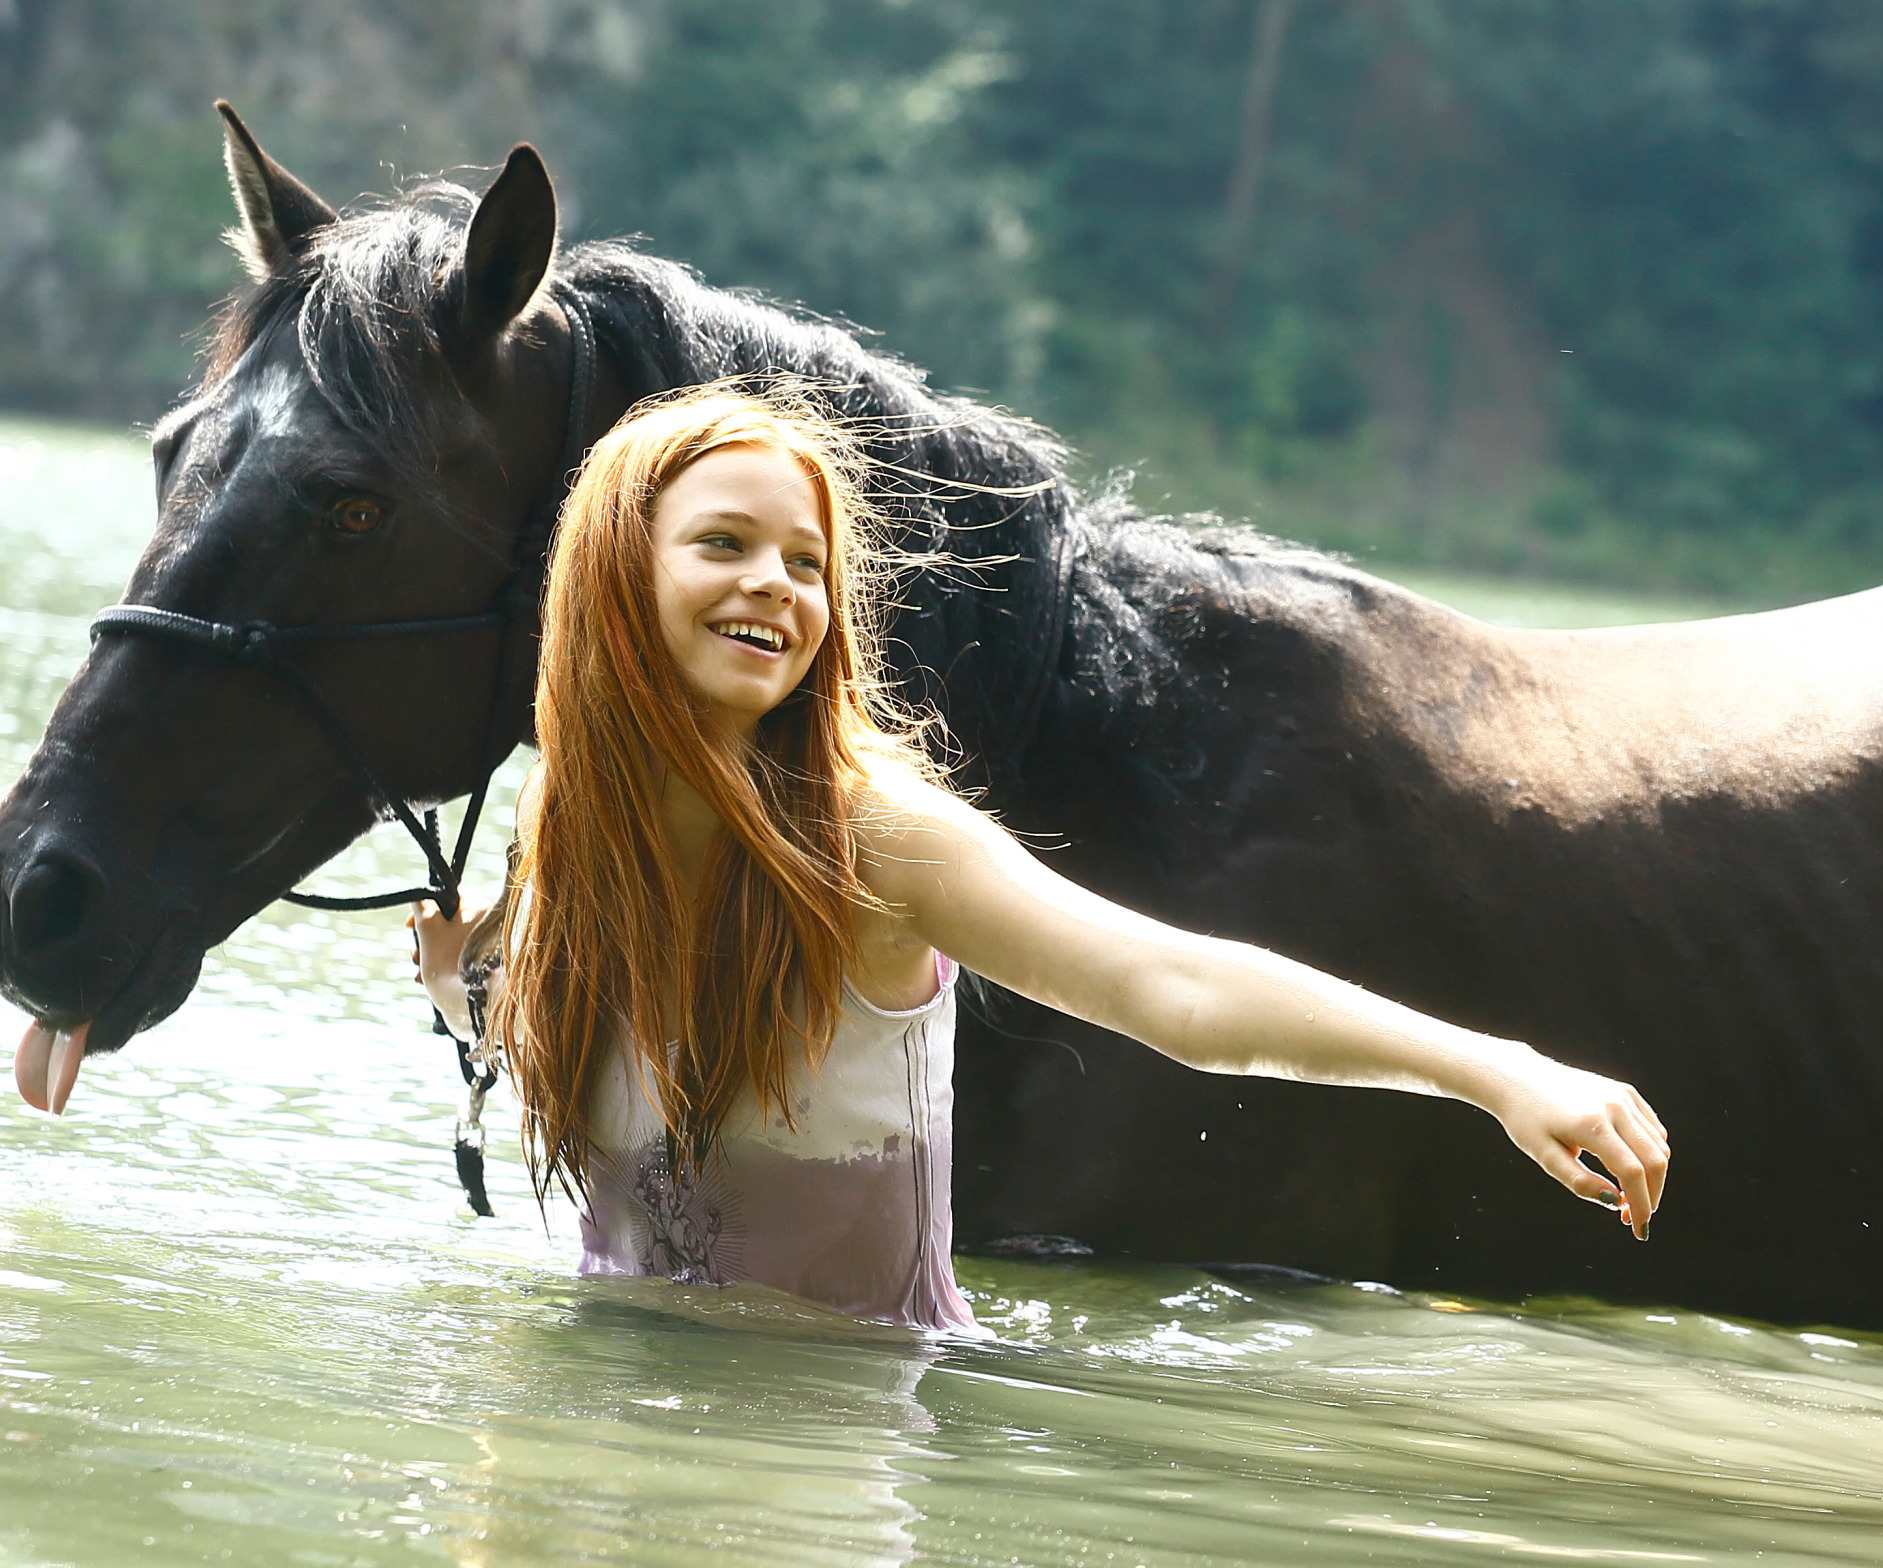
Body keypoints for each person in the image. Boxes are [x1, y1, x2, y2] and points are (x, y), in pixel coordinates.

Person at [413, 384, 1668, 1331]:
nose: (779, 587)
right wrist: (473, 978)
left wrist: (1492, 1069)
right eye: (725, 545)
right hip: (601, 1411)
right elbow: (619, 1077)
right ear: (614, 576)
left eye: (807, 561)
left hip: (832, 1447)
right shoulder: (566, 840)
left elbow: (1167, 987)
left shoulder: (876, 839)